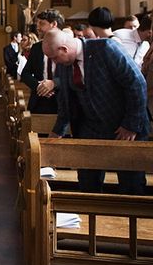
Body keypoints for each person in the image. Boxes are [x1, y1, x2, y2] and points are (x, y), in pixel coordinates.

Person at [44, 29, 149, 195]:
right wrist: (57, 132)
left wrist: (131, 124)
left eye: (54, 58)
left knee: (131, 187)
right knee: (87, 185)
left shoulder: (106, 48)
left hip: (125, 128)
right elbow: (66, 101)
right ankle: (89, 220)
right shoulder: (64, 65)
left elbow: (136, 84)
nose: (54, 62)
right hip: (90, 129)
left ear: (64, 49)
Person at [21, 9, 64, 113]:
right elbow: (25, 73)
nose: (38, 27)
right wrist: (39, 86)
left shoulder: (68, 45)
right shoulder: (36, 48)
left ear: (54, 24)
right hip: (39, 100)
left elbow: (74, 75)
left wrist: (54, 83)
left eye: (42, 24)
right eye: (37, 24)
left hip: (63, 100)